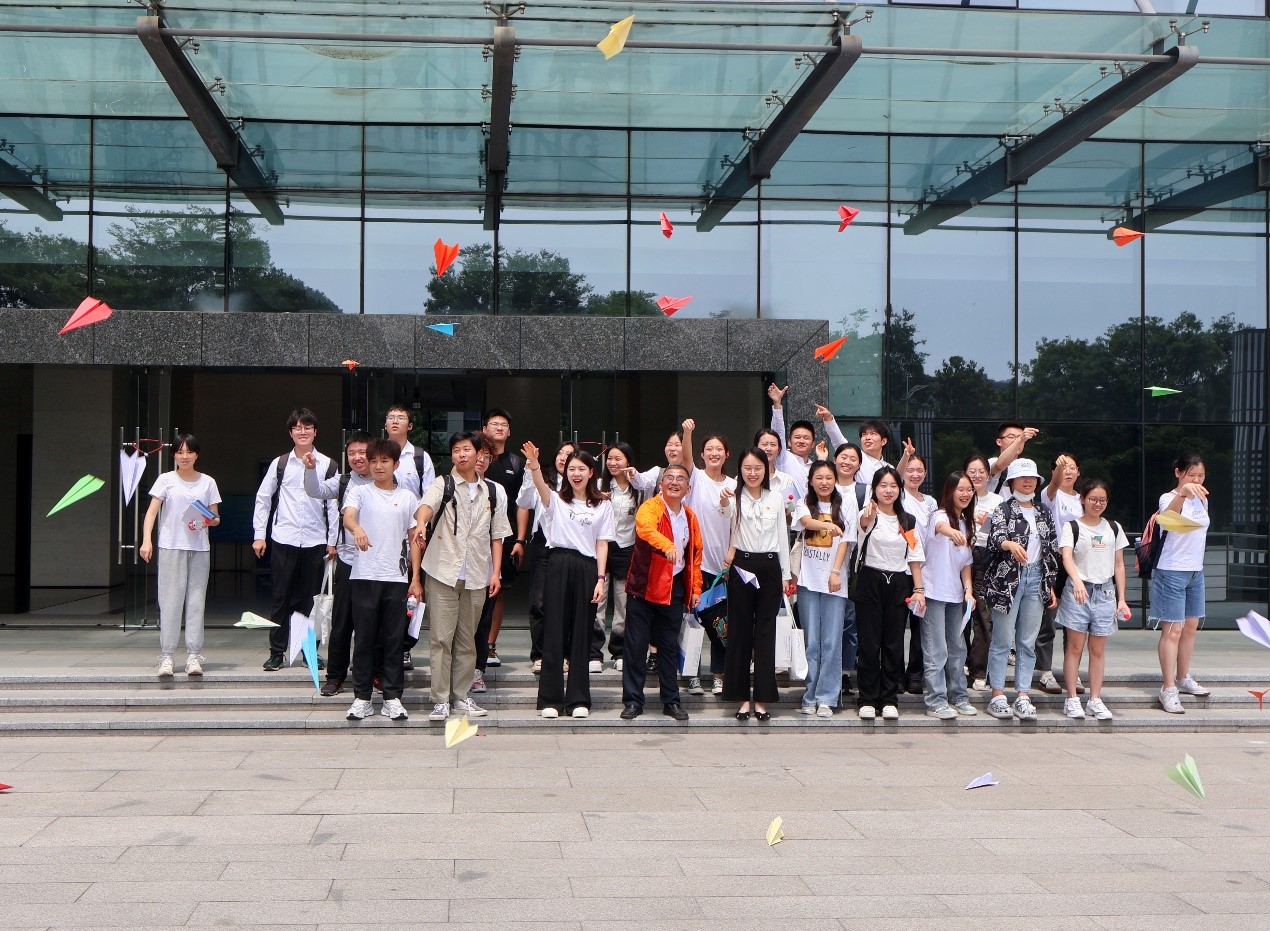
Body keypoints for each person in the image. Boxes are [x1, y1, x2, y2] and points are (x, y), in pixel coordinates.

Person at [414, 431, 511, 723]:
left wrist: (496, 573)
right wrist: (421, 523)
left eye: (466, 449)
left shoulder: (494, 492)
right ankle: (440, 700)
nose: (461, 455)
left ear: (479, 453)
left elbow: (498, 536)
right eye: (456, 450)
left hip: (477, 574)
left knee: (468, 640)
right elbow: (426, 506)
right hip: (443, 571)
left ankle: (461, 695)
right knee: (441, 639)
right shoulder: (442, 484)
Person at [522, 442, 614, 719]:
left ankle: (578, 700)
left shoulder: (603, 505)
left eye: (581, 469)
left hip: (587, 568)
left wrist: (601, 579)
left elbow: (602, 544)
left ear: (591, 472)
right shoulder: (556, 500)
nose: (576, 474)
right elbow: (540, 485)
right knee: (554, 631)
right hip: (558, 563)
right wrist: (534, 465)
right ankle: (550, 700)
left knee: (582, 633)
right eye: (572, 469)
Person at [252, 408, 337, 672]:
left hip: (315, 540)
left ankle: (309, 652)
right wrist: (259, 535)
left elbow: (333, 505)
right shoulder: (280, 464)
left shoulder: (328, 465)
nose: (303, 432)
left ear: (315, 432)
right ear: (290, 433)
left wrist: (333, 540)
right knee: (281, 598)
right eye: (297, 428)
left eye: (307, 427)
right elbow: (263, 499)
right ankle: (277, 652)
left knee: (311, 601)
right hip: (284, 538)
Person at [341, 439, 420, 722]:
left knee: (393, 640)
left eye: (384, 461)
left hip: (396, 577)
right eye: (373, 461)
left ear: (395, 464)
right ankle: (362, 698)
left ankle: (392, 698)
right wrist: (357, 528)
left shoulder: (408, 498)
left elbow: (414, 540)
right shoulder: (360, 492)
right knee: (363, 639)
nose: (378, 466)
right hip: (364, 576)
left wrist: (416, 578)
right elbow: (348, 517)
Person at [620, 464, 702, 722]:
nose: (674, 482)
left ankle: (671, 701)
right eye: (669, 478)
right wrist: (666, 545)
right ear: (660, 484)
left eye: (680, 479)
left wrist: (695, 588)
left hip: (674, 587)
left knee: (668, 646)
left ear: (688, 488)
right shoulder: (651, 507)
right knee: (636, 645)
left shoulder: (690, 516)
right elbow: (645, 529)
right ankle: (633, 700)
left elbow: (695, 556)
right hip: (644, 585)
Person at [983, 458, 1060, 722]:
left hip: (1037, 578)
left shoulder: (1043, 511)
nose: (1028, 482)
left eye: (1032, 478)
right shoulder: (1002, 509)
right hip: (1007, 580)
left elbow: (1051, 550)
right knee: (1002, 640)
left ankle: (1023, 695)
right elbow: (993, 538)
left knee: (1027, 641)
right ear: (1012, 482)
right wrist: (1009, 544)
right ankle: (997, 694)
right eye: (1022, 477)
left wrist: (1050, 584)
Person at [139, 433, 222, 678]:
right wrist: (146, 540)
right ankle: (167, 656)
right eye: (180, 452)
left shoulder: (208, 482)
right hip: (171, 545)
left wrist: (208, 521)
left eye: (189, 452)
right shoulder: (166, 480)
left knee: (196, 602)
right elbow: (151, 512)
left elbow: (215, 517)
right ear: (174, 454)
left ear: (197, 455)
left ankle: (194, 656)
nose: (184, 456)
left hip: (199, 548)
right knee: (170, 602)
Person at [720, 448, 791, 721]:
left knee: (765, 632)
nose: (752, 473)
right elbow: (724, 513)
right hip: (742, 566)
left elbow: (782, 537)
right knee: (739, 632)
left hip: (770, 566)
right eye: (747, 468)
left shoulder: (776, 497)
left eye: (757, 468)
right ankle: (741, 699)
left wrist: (786, 574)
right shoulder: (733, 495)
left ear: (766, 469)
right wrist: (724, 501)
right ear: (740, 469)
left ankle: (762, 698)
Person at [303, 431, 374, 697]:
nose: (357, 457)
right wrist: (311, 469)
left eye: (362, 452)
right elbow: (315, 490)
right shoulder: (344, 482)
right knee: (342, 622)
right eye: (352, 453)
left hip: (379, 563)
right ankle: (335, 676)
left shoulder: (387, 481)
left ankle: (372, 674)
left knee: (373, 623)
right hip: (348, 560)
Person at [853, 466, 925, 720]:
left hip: (898, 582)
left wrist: (919, 589)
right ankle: (867, 698)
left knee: (893, 643)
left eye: (893, 486)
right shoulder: (867, 514)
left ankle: (889, 698)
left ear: (900, 489)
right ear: (874, 489)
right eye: (883, 485)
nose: (888, 490)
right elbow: (862, 526)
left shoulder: (907, 521)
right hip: (870, 579)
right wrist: (869, 515)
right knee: (869, 643)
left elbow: (914, 556)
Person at [1057, 478, 1130, 720]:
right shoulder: (1072, 527)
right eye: (1093, 499)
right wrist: (1077, 581)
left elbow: (1119, 564)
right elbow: (1066, 557)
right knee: (1075, 647)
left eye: (1102, 500)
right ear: (1083, 499)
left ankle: (1095, 699)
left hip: (1106, 592)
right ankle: (1072, 699)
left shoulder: (1114, 528)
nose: (1097, 504)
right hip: (1078, 592)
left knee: (1098, 650)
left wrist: (1122, 598)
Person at [790, 460, 854, 717]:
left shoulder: (846, 503)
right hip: (808, 581)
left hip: (834, 582)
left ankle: (827, 697)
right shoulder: (804, 503)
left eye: (829, 477)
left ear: (835, 480)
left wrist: (835, 572)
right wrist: (827, 525)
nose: (824, 482)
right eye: (819, 478)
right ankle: (810, 695)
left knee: (831, 641)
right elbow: (806, 522)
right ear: (811, 481)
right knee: (812, 642)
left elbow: (846, 540)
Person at [1150, 453, 1212, 714]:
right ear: (1178, 473)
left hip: (1195, 571)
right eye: (1191, 475)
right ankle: (1168, 688)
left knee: (1190, 627)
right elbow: (1167, 518)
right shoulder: (1168, 497)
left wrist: (1193, 492)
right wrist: (1183, 493)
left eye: (1201, 475)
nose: (1196, 480)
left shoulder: (1202, 499)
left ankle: (1183, 677)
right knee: (1172, 630)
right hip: (1172, 570)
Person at [682, 431, 736, 696]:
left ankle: (718, 675)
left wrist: (732, 558)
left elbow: (738, 524)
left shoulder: (735, 485)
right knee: (692, 621)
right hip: (696, 565)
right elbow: (686, 458)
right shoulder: (696, 478)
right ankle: (691, 674)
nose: (714, 453)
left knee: (720, 623)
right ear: (702, 455)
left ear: (727, 455)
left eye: (719, 449)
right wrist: (687, 433)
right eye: (709, 449)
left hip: (723, 567)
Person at [516, 439, 576, 673]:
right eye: (560, 453)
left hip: (570, 546)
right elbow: (524, 501)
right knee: (539, 602)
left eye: (569, 454)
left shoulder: (580, 483)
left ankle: (565, 654)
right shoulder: (542, 478)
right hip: (543, 543)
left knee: (566, 603)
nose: (563, 458)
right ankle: (540, 654)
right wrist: (530, 470)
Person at [921, 472, 977, 718]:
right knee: (937, 650)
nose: (965, 494)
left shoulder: (967, 522)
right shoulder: (939, 515)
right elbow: (940, 527)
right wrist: (950, 532)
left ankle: (959, 696)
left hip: (956, 595)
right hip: (933, 592)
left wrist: (968, 590)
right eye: (960, 489)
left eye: (969, 490)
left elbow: (965, 563)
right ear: (950, 491)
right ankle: (936, 701)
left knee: (958, 648)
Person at [384, 404, 435, 671]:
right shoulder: (376, 453)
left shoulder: (420, 458)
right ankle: (380, 646)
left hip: (412, 537)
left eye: (401, 418)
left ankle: (405, 647)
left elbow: (430, 497)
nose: (395, 421)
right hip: (381, 536)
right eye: (391, 417)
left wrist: (424, 529)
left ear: (410, 425)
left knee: (411, 593)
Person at [475, 407, 525, 672]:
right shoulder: (473, 458)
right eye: (494, 424)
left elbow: (522, 504)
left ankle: (490, 644)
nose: (499, 428)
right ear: (484, 429)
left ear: (509, 431)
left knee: (498, 589)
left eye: (503, 425)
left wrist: (520, 539)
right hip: (474, 536)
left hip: (504, 535)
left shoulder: (516, 463)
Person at [1035, 453, 1085, 696]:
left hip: (1078, 561)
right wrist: (1058, 467)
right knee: (1049, 619)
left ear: (1079, 472)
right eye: (1064, 468)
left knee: (1075, 621)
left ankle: (1071, 672)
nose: (1068, 471)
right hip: (1054, 559)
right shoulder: (1050, 495)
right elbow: (1054, 483)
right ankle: (1045, 671)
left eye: (1072, 468)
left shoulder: (1083, 499)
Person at [598, 442, 642, 673]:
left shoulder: (639, 488)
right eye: (610, 459)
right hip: (602, 546)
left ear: (628, 461)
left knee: (623, 604)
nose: (613, 463)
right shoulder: (599, 486)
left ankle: (619, 651)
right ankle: (593, 652)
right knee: (598, 600)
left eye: (618, 459)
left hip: (627, 547)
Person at [898, 451, 937, 695]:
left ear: (925, 473)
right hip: (899, 568)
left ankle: (915, 674)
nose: (914, 474)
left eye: (919, 470)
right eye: (910, 470)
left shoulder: (931, 502)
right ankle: (895, 675)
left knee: (920, 626)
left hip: (924, 571)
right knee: (895, 625)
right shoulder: (898, 496)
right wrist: (905, 456)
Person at [963, 454, 1002, 692]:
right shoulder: (959, 496)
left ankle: (979, 670)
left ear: (989, 475)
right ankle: (962, 664)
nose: (977, 476)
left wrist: (986, 524)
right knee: (960, 615)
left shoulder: (998, 501)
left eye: (981, 472)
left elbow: (1001, 532)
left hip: (987, 559)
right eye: (972, 471)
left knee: (983, 617)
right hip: (960, 558)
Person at [830, 441, 865, 696]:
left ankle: (843, 673)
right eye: (843, 457)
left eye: (853, 458)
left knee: (849, 621)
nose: (847, 462)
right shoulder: (824, 485)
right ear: (835, 459)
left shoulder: (863, 491)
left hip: (853, 563)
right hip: (821, 560)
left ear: (859, 465)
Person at [766, 383, 818, 497]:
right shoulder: (784, 458)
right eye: (797, 437)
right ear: (789, 442)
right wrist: (777, 404)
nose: (801, 441)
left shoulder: (814, 466)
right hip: (787, 508)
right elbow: (778, 434)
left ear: (813, 444)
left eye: (806, 438)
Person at [752, 428, 799, 517]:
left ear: (779, 449)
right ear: (756, 447)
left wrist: (787, 511)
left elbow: (793, 511)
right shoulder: (746, 477)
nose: (768, 448)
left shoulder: (787, 480)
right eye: (764, 444)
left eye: (773, 445)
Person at [856, 420, 891, 487]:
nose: (867, 438)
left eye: (873, 434)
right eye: (864, 434)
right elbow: (839, 441)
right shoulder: (856, 458)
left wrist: (906, 456)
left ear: (883, 441)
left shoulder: (889, 468)